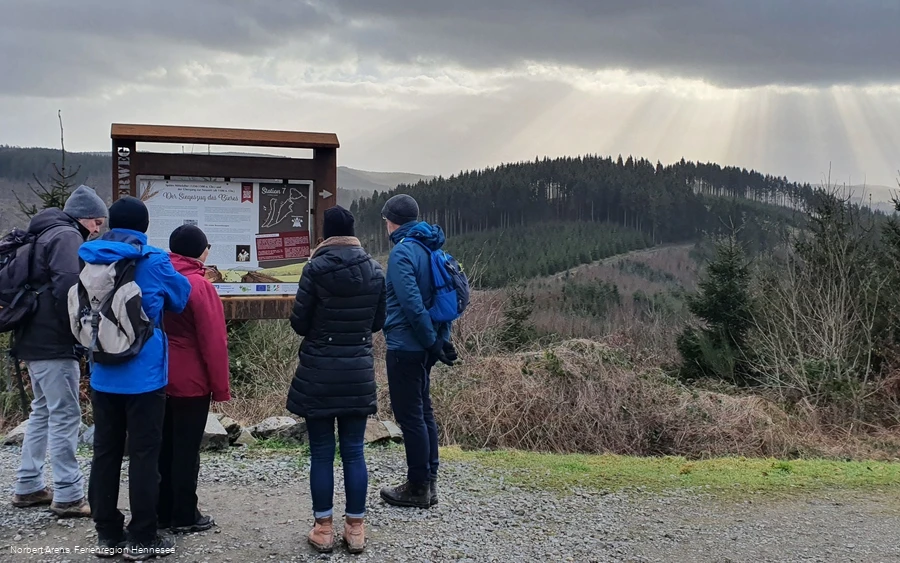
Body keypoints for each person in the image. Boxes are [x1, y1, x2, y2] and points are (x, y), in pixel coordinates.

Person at [79, 196, 191, 560]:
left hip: (102, 372)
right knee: (144, 454)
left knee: (105, 452)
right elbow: (180, 297)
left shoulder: (90, 254)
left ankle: (107, 534)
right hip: (144, 376)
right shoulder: (153, 259)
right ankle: (143, 536)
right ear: (144, 226)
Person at [285, 206, 385, 554]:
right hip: (357, 371)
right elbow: (377, 321)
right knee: (355, 452)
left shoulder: (315, 269)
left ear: (326, 234)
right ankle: (355, 529)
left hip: (319, 372)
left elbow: (299, 323)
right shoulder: (374, 270)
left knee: (322, 454)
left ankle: (324, 529)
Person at [10, 185, 108, 518]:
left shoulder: (43, 233)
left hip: (34, 339)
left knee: (43, 411)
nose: (97, 230)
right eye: (97, 222)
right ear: (85, 217)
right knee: (65, 413)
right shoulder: (67, 237)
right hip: (53, 342)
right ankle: (68, 493)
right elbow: (70, 290)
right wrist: (85, 331)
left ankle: (28, 485)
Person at [378, 194, 456, 510]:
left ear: (391, 220)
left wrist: (428, 342)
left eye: (385, 219)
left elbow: (411, 305)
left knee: (410, 417)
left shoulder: (402, 254)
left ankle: (417, 487)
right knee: (423, 413)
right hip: (425, 347)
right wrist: (439, 341)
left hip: (406, 347)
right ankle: (429, 481)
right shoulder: (430, 247)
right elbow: (443, 298)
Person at [158, 225, 230, 535]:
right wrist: (220, 388)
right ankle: (185, 514)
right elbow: (213, 342)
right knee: (186, 450)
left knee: (162, 448)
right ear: (201, 251)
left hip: (156, 376)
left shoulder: (156, 276)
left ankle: (160, 511)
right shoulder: (200, 286)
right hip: (191, 381)